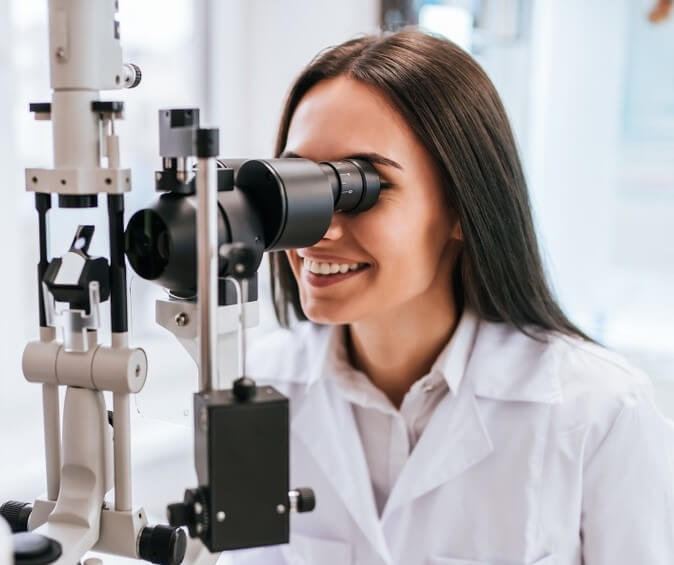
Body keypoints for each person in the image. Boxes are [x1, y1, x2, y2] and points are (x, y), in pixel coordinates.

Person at [230, 29, 674, 565]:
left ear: (463, 208)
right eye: (298, 186)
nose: (317, 231)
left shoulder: (601, 413)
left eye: (356, 187)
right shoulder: (256, 387)